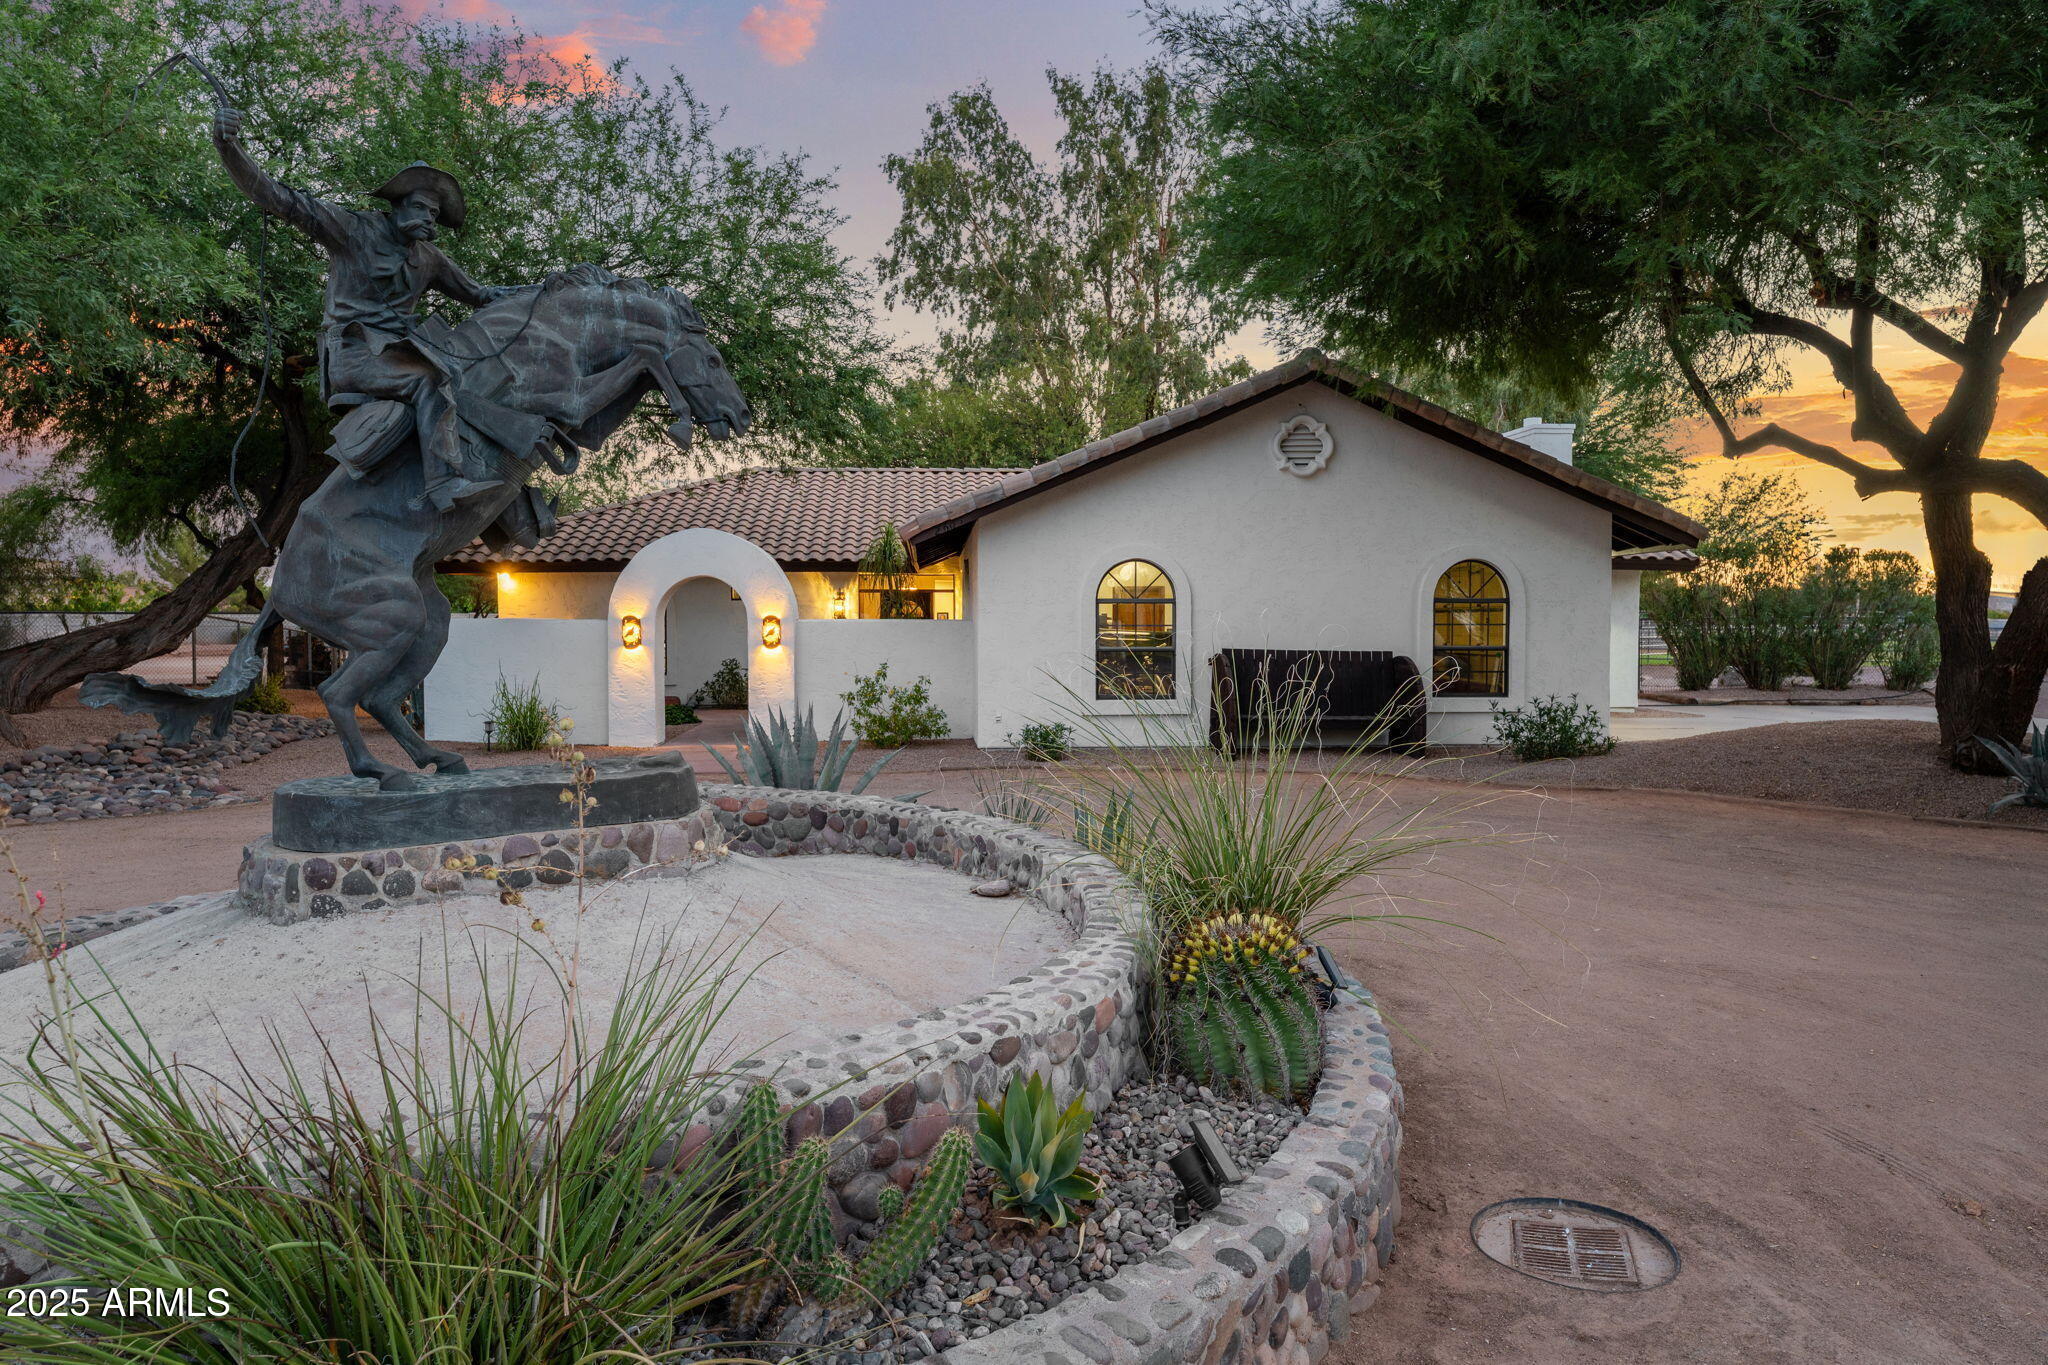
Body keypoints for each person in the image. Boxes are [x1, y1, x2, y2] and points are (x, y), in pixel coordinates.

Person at [211, 105, 531, 510]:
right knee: (430, 380)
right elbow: (278, 198)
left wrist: (550, 287)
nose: (429, 219)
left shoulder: (430, 258)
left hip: (397, 357)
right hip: (352, 356)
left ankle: (512, 508)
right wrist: (228, 145)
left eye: (434, 214)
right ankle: (442, 486)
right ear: (396, 205)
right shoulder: (353, 229)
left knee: (474, 383)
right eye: (419, 207)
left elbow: (483, 295)